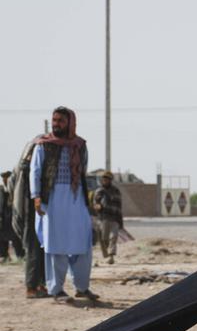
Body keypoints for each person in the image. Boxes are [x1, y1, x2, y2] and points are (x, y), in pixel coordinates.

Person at [30, 107, 98, 303]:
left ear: (70, 123)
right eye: (54, 120)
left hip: (76, 199)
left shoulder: (80, 145)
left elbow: (83, 170)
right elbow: (35, 172)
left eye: (60, 120)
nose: (56, 124)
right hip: (51, 200)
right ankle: (56, 289)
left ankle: (82, 287)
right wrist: (36, 196)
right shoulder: (44, 145)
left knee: (82, 244)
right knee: (56, 246)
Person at [12, 137, 47, 298]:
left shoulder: (24, 169)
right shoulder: (26, 170)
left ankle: (40, 285)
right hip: (30, 215)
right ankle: (31, 287)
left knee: (42, 251)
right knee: (34, 251)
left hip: (37, 214)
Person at [93, 170, 123, 264]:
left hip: (114, 218)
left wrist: (120, 221)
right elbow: (95, 203)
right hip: (104, 218)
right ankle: (106, 255)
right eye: (104, 179)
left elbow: (119, 206)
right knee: (104, 239)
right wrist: (97, 207)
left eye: (107, 179)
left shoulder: (116, 191)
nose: (105, 180)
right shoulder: (99, 191)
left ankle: (111, 257)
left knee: (113, 237)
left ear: (110, 180)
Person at [0, 171, 25, 262]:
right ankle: (4, 255)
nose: (5, 180)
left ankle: (20, 255)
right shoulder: (2, 190)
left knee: (16, 237)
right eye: (4, 178)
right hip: (4, 218)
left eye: (6, 178)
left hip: (13, 217)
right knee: (2, 238)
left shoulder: (15, 189)